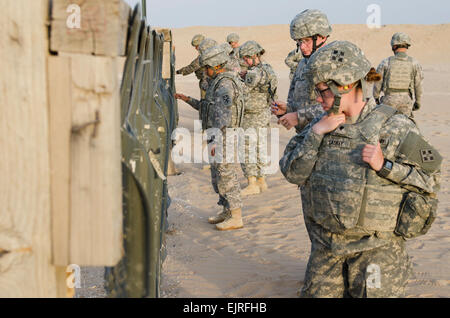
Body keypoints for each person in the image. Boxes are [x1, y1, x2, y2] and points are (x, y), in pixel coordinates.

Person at [279, 40, 442, 298]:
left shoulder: (396, 127)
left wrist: (385, 166)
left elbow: (431, 177)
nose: (319, 99)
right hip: (327, 247)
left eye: (323, 92)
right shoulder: (319, 126)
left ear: (345, 86)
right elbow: (292, 172)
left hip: (376, 249)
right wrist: (317, 133)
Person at [175, 45, 246, 231]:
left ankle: (236, 215)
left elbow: (222, 117)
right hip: (218, 135)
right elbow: (207, 108)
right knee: (218, 176)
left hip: (224, 136)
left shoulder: (224, 85)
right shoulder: (217, 82)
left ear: (215, 65)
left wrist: (216, 141)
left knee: (226, 175)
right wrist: (186, 99)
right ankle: (226, 210)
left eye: (206, 67)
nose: (205, 71)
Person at [271, 9, 332, 133]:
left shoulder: (333, 65)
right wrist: (287, 110)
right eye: (299, 42)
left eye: (307, 41)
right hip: (305, 136)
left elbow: (340, 106)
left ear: (323, 37)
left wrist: (299, 116)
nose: (302, 47)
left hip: (327, 140)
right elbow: (295, 101)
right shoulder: (302, 64)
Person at [238, 40, 278, 196]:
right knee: (260, 148)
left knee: (246, 149)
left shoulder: (254, 72)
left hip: (251, 116)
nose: (245, 61)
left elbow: (243, 89)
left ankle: (252, 183)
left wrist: (239, 78)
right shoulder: (268, 69)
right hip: (263, 114)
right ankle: (262, 180)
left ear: (254, 55)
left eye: (247, 58)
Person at [373, 32, 424, 117]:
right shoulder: (414, 63)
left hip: (388, 100)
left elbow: (377, 83)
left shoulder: (385, 62)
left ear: (394, 46)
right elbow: (418, 85)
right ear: (407, 45)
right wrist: (417, 102)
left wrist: (376, 97)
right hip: (406, 101)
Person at [176, 34, 207, 98]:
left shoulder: (205, 55)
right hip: (209, 82)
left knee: (205, 104)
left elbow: (192, 67)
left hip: (207, 83)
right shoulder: (210, 53)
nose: (196, 48)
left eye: (197, 46)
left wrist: (177, 72)